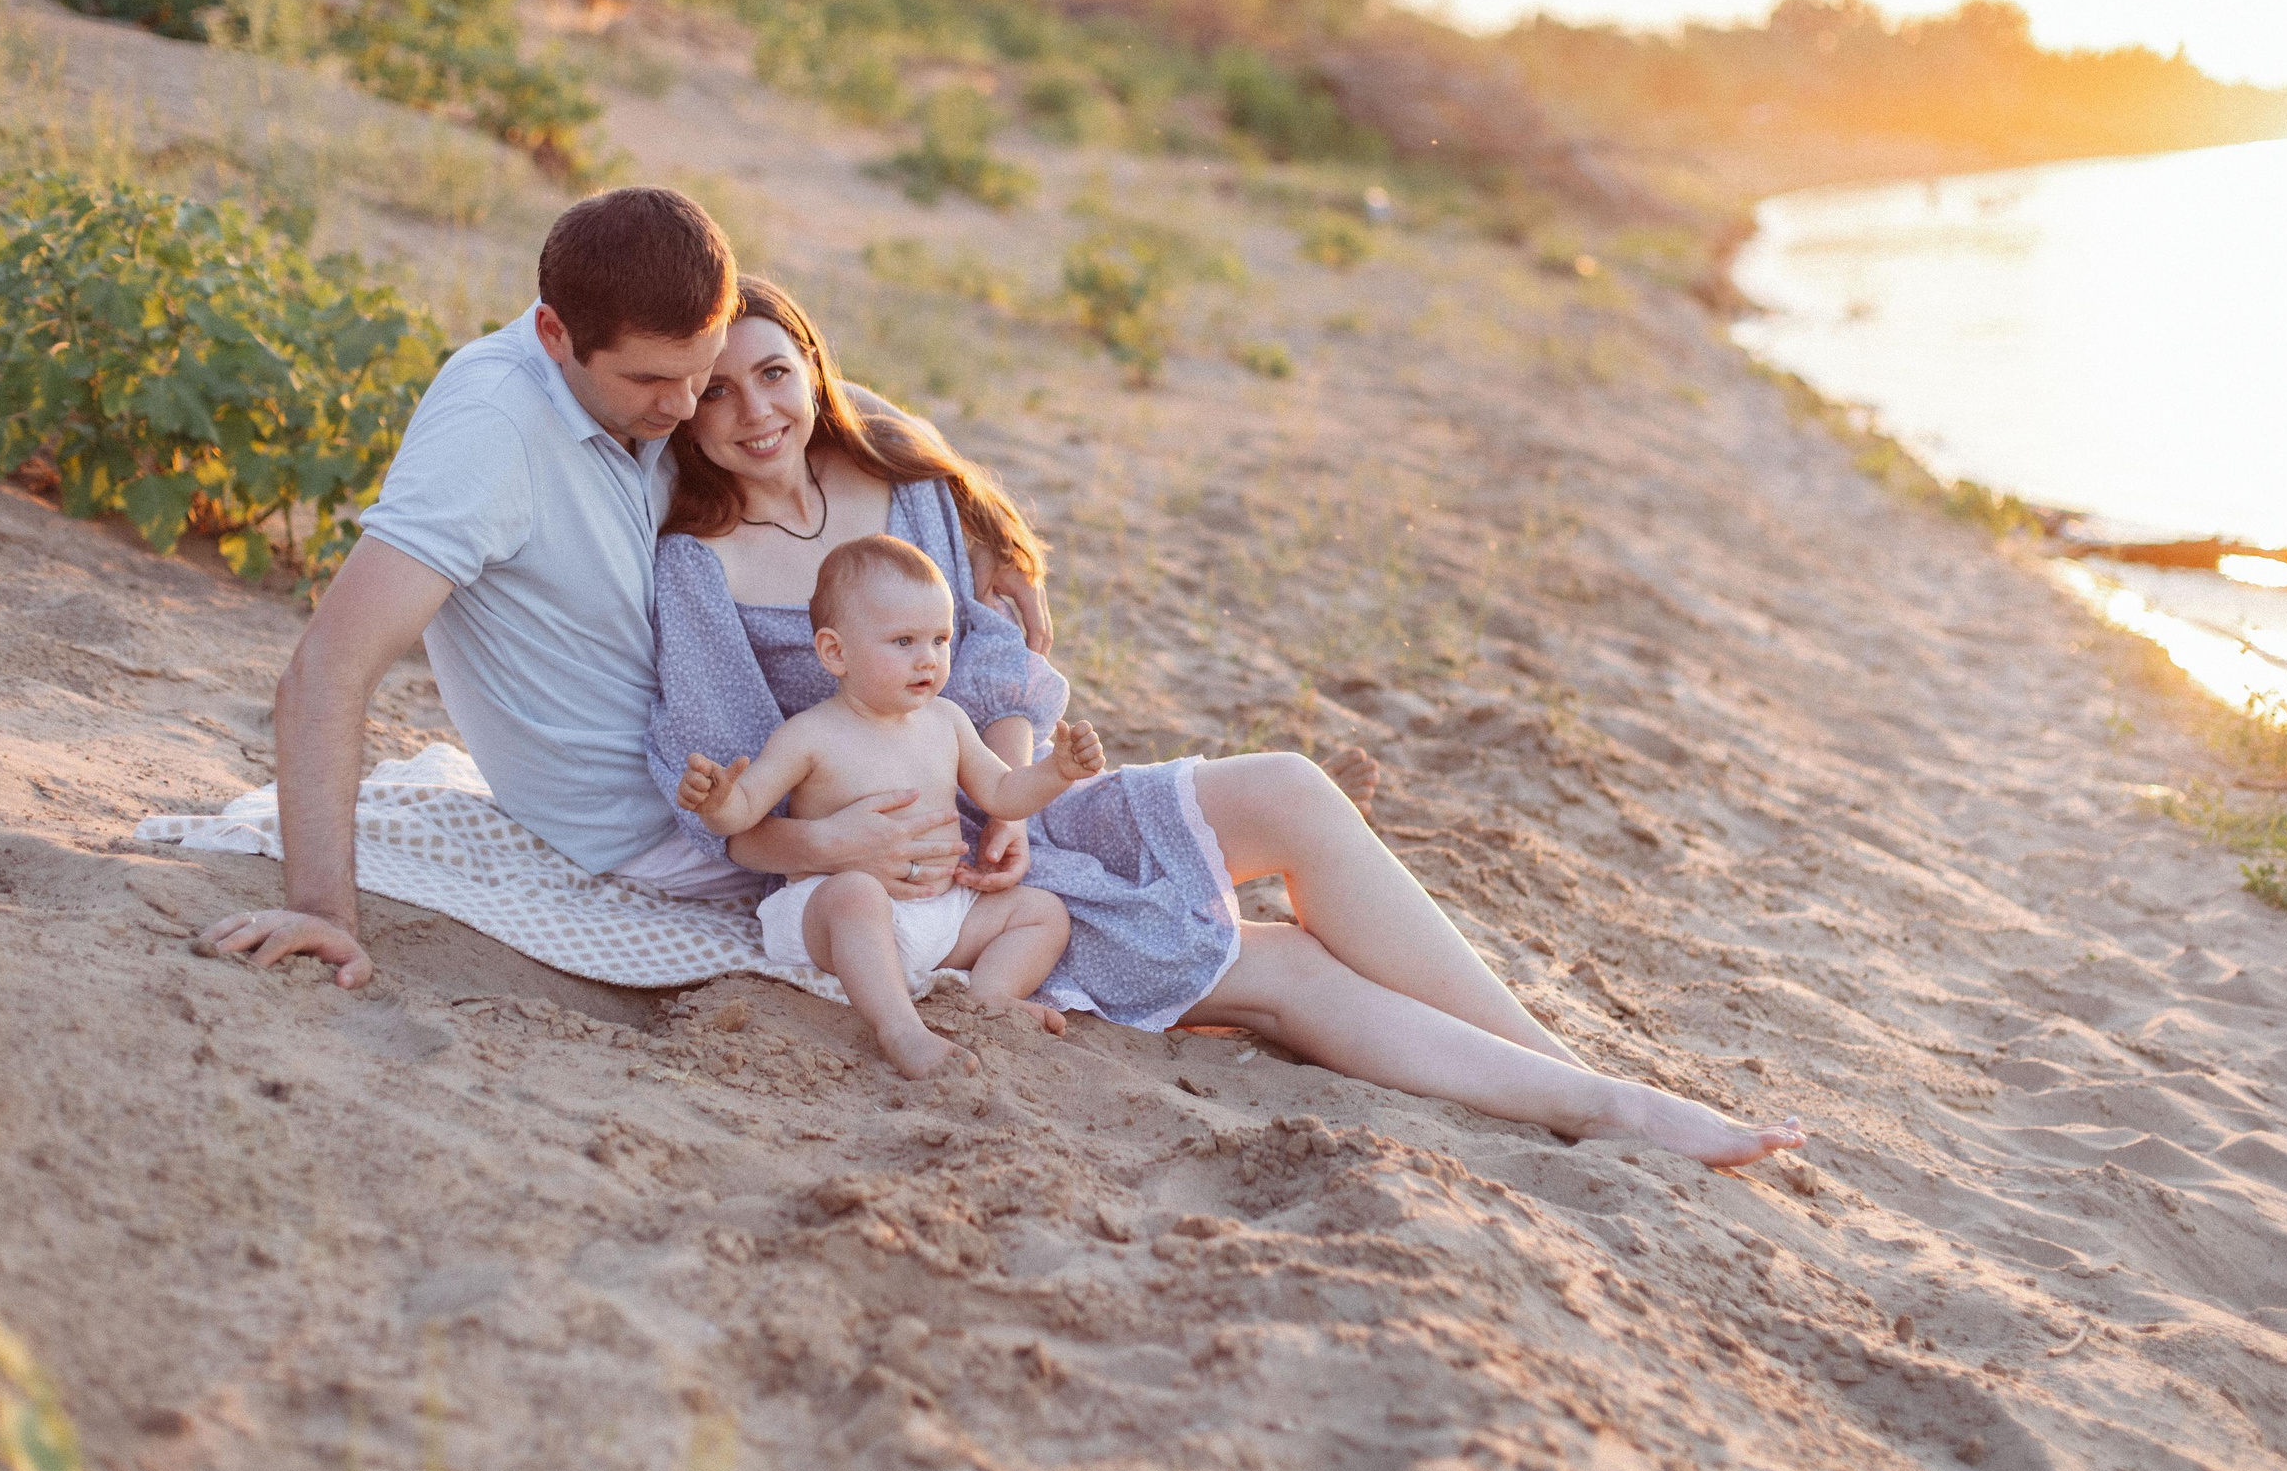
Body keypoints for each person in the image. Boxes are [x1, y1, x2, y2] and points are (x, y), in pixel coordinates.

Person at [646, 277, 1807, 1168]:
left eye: (774, 374)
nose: (755, 411)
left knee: (1290, 785)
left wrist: (1013, 795)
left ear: (814, 369)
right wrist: (837, 841)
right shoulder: (699, 564)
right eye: (717, 391)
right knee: (1284, 967)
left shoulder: (901, 486)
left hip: (1007, 810)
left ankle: (1574, 1078)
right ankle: (1596, 1105)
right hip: (904, 888)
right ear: (686, 409)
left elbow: (988, 666)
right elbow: (729, 798)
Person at [197, 188, 1049, 990]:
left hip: (766, 774)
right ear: (554, 333)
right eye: (652, 382)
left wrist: (981, 514)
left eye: (700, 372)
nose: (684, 407)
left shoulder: (652, 367)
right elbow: (328, 669)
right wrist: (322, 909)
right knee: (1055, 887)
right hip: (669, 828)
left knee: (1054, 818)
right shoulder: (489, 436)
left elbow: (814, 386)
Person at [676, 534, 1104, 1078]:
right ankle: (900, 1029)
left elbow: (1002, 793)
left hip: (940, 913)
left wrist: (1056, 772)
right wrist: (717, 801)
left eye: (940, 639)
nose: (928, 659)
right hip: (836, 918)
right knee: (856, 893)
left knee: (1042, 912)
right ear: (836, 652)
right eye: (903, 641)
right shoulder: (809, 736)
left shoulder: (947, 721)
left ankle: (991, 997)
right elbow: (743, 812)